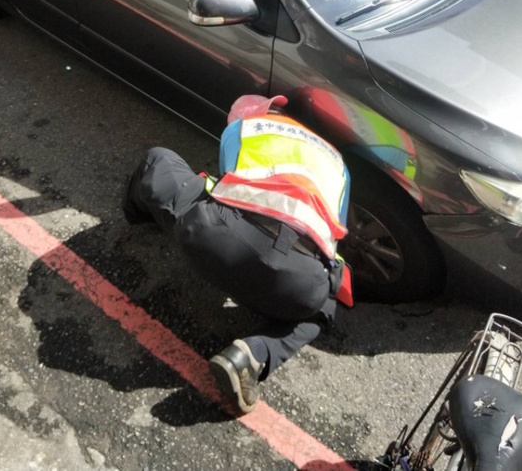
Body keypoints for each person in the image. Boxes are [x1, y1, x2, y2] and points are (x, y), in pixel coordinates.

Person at [122, 94, 353, 415]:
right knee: (323, 308)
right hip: (297, 281)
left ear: (243, 116)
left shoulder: (244, 129)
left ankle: (135, 211)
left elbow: (225, 188)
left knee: (161, 161)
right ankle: (253, 353)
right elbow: (332, 240)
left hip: (221, 240)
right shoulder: (338, 165)